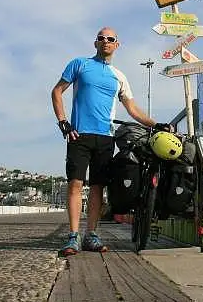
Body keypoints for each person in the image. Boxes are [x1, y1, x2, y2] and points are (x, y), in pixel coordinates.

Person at [51, 26, 171, 257]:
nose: (105, 41)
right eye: (101, 38)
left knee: (98, 187)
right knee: (75, 184)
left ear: (117, 45)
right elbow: (57, 91)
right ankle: (73, 236)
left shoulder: (119, 76)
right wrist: (63, 123)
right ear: (95, 43)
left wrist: (155, 125)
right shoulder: (79, 64)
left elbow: (133, 110)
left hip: (106, 137)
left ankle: (91, 235)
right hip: (79, 134)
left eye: (110, 39)